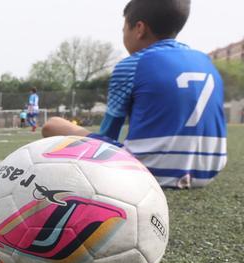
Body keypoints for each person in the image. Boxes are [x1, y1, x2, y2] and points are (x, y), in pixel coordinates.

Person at [43, 0, 226, 190]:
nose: (123, 35)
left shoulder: (133, 64)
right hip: (207, 173)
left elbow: (107, 135)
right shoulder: (206, 62)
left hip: (147, 172)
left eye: (124, 29)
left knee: (52, 125)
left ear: (139, 29)